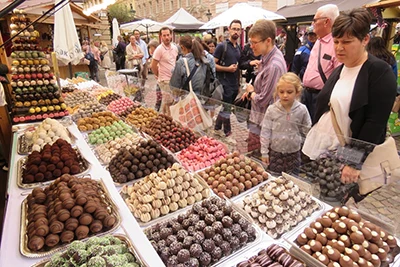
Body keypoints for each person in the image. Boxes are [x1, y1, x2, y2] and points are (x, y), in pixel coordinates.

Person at [302, 8, 397, 189]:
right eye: (336, 41)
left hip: (347, 158)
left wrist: (353, 162)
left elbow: (374, 122)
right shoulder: (340, 69)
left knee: (337, 205)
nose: (339, 47)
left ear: (365, 40)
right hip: (326, 153)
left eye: (346, 42)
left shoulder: (379, 72)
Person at [242, 19, 287, 157]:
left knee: (258, 160)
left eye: (254, 42)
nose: (251, 46)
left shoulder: (274, 65)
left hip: (264, 125)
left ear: (268, 41)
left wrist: (251, 93)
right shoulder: (266, 58)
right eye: (251, 42)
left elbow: (263, 100)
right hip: (260, 121)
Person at [261, 73, 311, 174]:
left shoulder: (302, 110)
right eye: (281, 92)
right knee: (274, 179)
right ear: (277, 92)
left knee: (293, 180)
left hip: (294, 153)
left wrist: (309, 149)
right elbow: (265, 132)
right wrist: (264, 152)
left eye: (289, 92)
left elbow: (307, 130)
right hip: (275, 152)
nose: (285, 95)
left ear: (297, 92)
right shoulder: (272, 110)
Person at [302, 4, 341, 119]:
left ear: (326, 22)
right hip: (307, 94)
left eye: (315, 20)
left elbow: (339, 75)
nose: (313, 23)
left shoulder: (336, 43)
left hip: (320, 96)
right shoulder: (319, 41)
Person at [213, 20, 242, 144]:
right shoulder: (222, 46)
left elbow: (239, 65)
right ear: (229, 29)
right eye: (234, 28)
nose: (236, 31)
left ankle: (217, 128)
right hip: (224, 82)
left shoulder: (238, 48)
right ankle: (227, 133)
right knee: (227, 108)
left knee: (227, 107)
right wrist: (227, 69)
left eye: (238, 29)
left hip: (234, 83)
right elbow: (213, 65)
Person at [151, 27, 178, 116]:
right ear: (161, 37)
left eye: (168, 35)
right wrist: (159, 76)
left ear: (171, 35)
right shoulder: (159, 49)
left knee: (170, 101)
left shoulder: (174, 48)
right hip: (164, 80)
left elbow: (175, 61)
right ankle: (169, 120)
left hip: (173, 79)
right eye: (164, 35)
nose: (166, 37)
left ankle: (164, 116)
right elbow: (153, 65)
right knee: (168, 102)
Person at [148, 39, 162, 111]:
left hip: (161, 79)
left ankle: (157, 110)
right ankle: (157, 109)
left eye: (151, 48)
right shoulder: (155, 54)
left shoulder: (159, 54)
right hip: (159, 79)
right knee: (159, 95)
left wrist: (157, 74)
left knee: (160, 96)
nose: (150, 50)